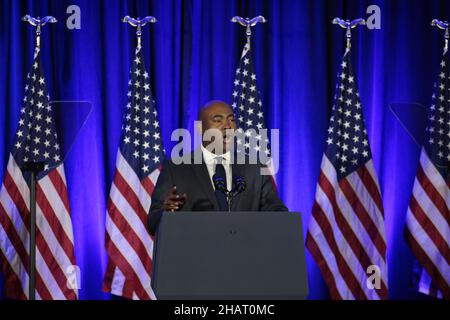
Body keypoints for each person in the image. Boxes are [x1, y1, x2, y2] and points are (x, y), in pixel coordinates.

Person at [147, 100, 287, 235]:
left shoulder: (254, 168)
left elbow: (277, 213)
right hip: (196, 256)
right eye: (218, 120)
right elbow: (153, 222)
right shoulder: (176, 168)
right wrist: (166, 213)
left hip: (244, 254)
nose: (228, 126)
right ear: (200, 128)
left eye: (231, 120)